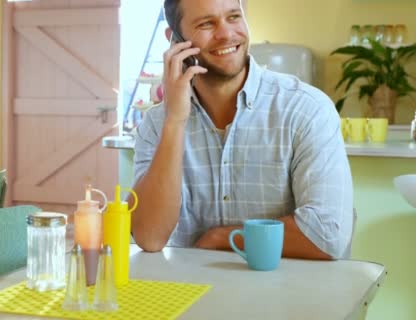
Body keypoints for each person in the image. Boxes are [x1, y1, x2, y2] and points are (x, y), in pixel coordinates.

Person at [131, 0, 353, 260]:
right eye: (206, 23)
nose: (226, 34)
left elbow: (326, 235)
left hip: (286, 296)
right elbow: (149, 237)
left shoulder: (306, 110)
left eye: (234, 17)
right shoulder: (157, 125)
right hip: (188, 296)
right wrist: (175, 121)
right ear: (175, 40)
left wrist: (220, 238)